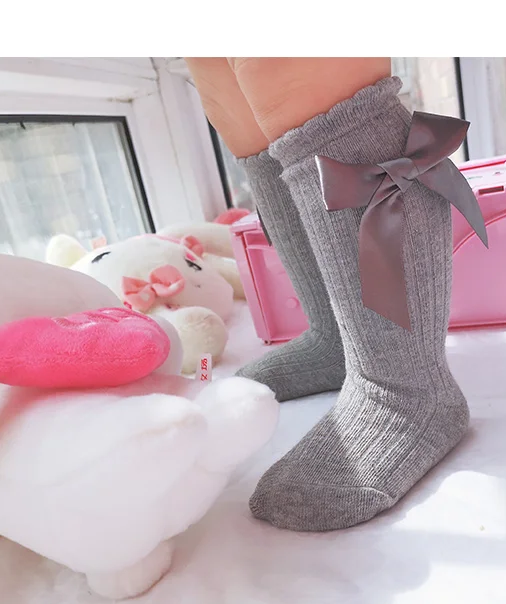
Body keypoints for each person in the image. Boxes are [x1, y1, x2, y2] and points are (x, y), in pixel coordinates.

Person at [185, 58, 469, 532]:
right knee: (229, 94)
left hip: (410, 390)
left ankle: (407, 386)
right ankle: (338, 338)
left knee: (287, 68)